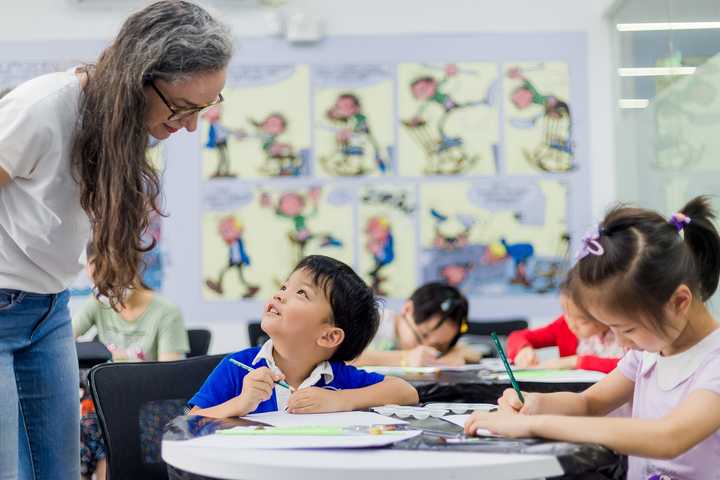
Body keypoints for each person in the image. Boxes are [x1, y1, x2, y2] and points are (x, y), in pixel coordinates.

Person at [0, 2, 232, 477]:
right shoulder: (43, 108)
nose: (190, 125)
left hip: (48, 310)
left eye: (204, 109)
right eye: (183, 109)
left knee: (57, 470)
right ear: (138, 77)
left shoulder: (117, 123)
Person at [464, 197, 720, 479]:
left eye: (628, 329)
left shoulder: (714, 362)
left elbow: (669, 438)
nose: (622, 343)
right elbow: (589, 404)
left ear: (679, 302)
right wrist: (535, 404)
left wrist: (534, 426)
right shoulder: (649, 352)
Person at [189, 255, 418, 417]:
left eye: (301, 292)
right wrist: (240, 403)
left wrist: (338, 400)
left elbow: (406, 392)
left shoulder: (338, 378)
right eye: (284, 287)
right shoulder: (238, 366)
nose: (280, 295)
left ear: (329, 337)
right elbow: (189, 423)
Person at [354, 282, 478, 367]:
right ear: (408, 309)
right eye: (423, 336)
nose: (426, 349)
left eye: (437, 346)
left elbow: (471, 351)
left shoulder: (437, 340)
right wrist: (406, 358)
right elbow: (344, 358)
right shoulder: (369, 323)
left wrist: (454, 354)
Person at [507, 287, 624, 373]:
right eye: (567, 313)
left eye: (583, 321)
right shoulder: (564, 325)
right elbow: (517, 336)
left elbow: (628, 367)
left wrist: (574, 361)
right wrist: (523, 349)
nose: (572, 324)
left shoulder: (624, 334)